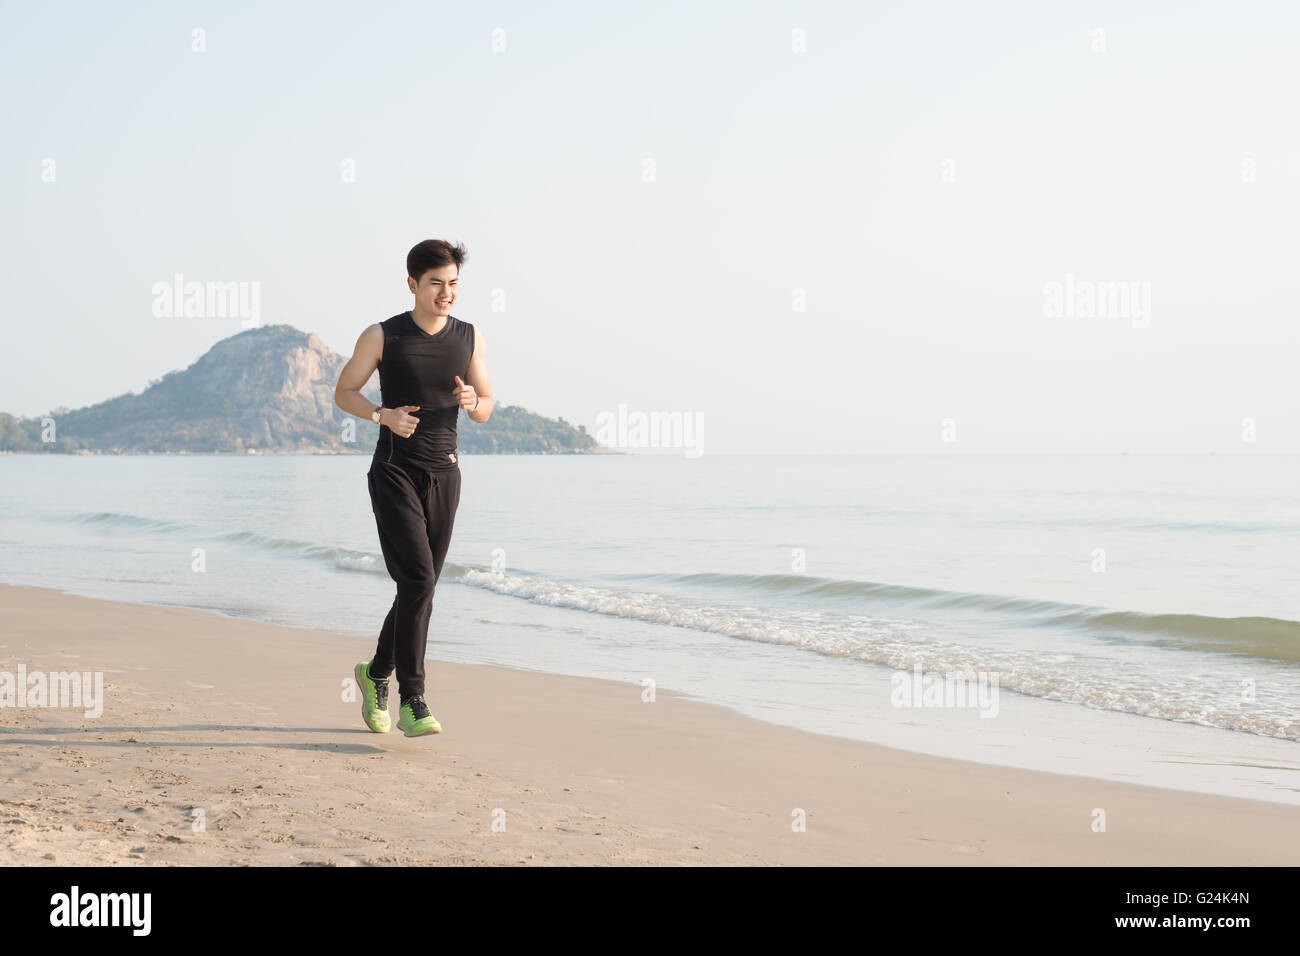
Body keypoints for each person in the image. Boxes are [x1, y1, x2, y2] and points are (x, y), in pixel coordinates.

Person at [334, 239, 494, 736]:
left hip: (446, 474)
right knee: (420, 582)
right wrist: (383, 415)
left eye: (453, 284)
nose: (446, 293)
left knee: (417, 587)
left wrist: (473, 401)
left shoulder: (469, 336)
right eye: (436, 284)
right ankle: (414, 699)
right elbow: (344, 392)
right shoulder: (383, 335)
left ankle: (375, 673)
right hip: (394, 470)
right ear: (412, 285)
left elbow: (487, 402)